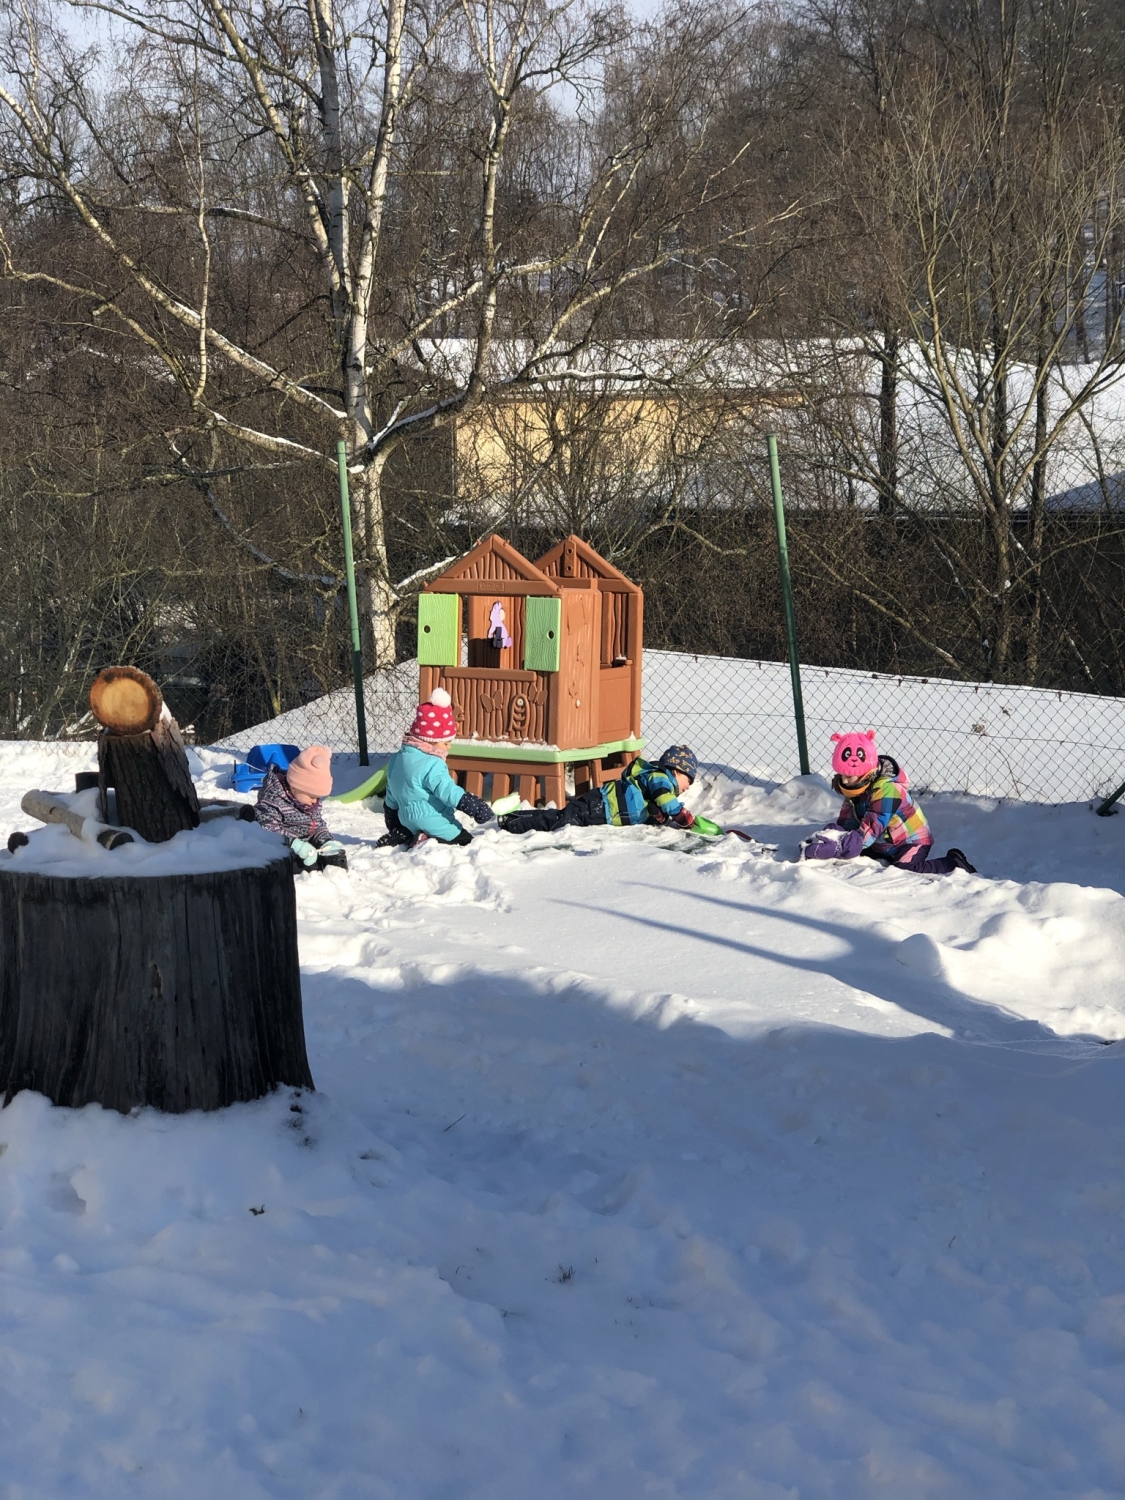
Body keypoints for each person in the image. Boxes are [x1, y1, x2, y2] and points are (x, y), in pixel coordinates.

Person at [800, 730, 975, 874]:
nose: (844, 781)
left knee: (905, 869)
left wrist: (839, 846)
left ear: (865, 773)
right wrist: (830, 836)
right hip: (883, 843)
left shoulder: (888, 790)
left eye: (849, 776)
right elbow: (848, 823)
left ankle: (953, 863)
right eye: (841, 775)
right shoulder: (856, 788)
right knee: (854, 859)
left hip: (911, 841)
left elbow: (871, 828)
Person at [378, 689, 494, 848]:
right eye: (446, 743)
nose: (449, 747)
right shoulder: (433, 764)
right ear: (430, 742)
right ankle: (426, 839)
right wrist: (474, 806)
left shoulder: (396, 760)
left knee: (411, 830)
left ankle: (405, 835)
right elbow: (448, 791)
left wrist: (392, 819)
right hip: (434, 821)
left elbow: (391, 793)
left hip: (406, 819)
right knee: (467, 842)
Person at [498, 745, 699, 835]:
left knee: (561, 818)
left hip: (603, 812)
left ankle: (515, 818)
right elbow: (665, 798)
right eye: (688, 778)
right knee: (560, 821)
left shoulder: (661, 788)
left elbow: (650, 804)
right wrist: (681, 815)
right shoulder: (660, 778)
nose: (688, 785)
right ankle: (513, 825)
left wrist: (656, 816)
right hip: (599, 804)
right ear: (675, 770)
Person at [254, 744, 349, 870]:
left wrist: (325, 841)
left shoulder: (308, 802)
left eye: (317, 797)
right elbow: (267, 830)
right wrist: (295, 844)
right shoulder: (274, 801)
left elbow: (317, 824)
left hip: (306, 849)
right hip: (280, 852)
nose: (314, 801)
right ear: (294, 787)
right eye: (311, 796)